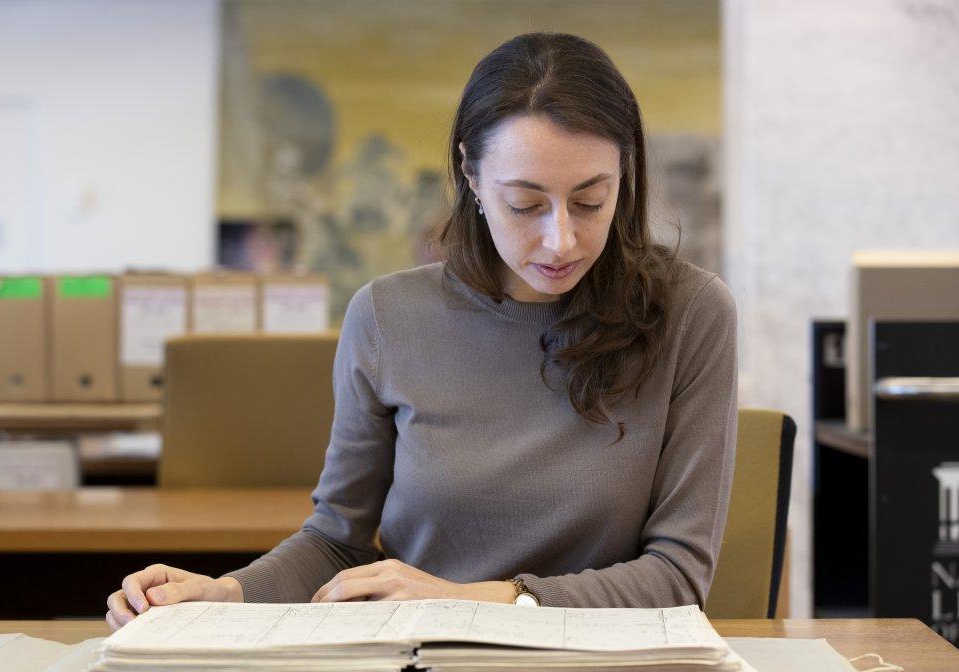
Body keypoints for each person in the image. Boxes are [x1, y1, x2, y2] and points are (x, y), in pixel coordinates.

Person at [106, 31, 737, 631]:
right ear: (470, 176)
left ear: (625, 177)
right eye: (525, 205)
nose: (561, 238)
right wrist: (228, 593)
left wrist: (466, 601)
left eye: (591, 201)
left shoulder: (692, 312)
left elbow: (678, 579)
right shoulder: (386, 316)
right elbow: (336, 542)